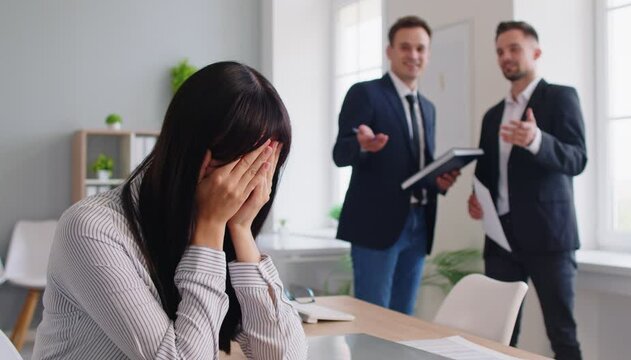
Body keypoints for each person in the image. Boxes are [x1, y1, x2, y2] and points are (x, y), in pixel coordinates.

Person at [33, 62, 307, 359]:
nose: (244, 185)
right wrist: (210, 226)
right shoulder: (91, 228)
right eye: (240, 166)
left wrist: (241, 232)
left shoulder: (221, 226)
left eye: (262, 168)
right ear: (188, 148)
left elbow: (284, 356)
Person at [468, 21, 586, 359]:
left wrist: (536, 140)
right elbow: (486, 173)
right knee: (498, 336)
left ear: (535, 52)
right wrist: (477, 200)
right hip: (501, 241)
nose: (506, 56)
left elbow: (577, 158)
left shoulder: (561, 98)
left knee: (562, 334)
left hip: (550, 239)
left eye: (514, 48)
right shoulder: (492, 116)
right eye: (500, 51)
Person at [333, 15, 460, 315]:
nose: (413, 55)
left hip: (419, 223)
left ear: (428, 55)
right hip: (376, 224)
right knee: (373, 320)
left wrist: (437, 181)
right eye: (405, 47)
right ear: (389, 51)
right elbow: (340, 153)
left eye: (420, 49)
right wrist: (362, 146)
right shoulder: (366, 93)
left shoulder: (428, 107)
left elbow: (417, 168)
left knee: (404, 321)